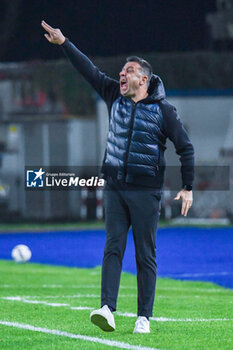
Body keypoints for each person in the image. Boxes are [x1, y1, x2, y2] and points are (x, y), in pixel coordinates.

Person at [41, 20, 194, 334]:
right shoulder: (113, 94)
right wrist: (64, 42)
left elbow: (186, 148)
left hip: (146, 193)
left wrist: (188, 187)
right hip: (113, 188)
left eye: (129, 70)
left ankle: (143, 317)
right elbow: (89, 70)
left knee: (145, 254)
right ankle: (107, 309)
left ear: (145, 78)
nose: (121, 74)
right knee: (112, 248)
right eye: (122, 71)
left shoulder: (164, 111)